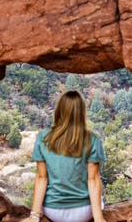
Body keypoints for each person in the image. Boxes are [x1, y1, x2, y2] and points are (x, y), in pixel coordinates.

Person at [30, 90, 106, 222]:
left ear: (59, 110)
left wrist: (34, 215)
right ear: (82, 112)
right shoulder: (93, 140)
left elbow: (42, 178)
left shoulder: (43, 138)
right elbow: (93, 180)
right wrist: (99, 218)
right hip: (83, 212)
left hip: (53, 211)